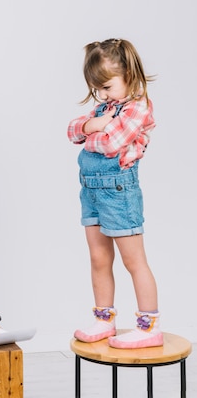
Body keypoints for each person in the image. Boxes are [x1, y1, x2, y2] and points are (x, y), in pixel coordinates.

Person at [67, 38, 161, 349]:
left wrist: (90, 129)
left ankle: (149, 327)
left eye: (107, 86)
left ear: (130, 75)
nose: (102, 94)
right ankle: (104, 321)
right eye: (97, 89)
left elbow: (110, 144)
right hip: (90, 191)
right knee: (98, 257)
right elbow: (71, 130)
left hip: (118, 192)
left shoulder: (138, 107)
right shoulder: (106, 107)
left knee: (134, 261)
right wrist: (94, 123)